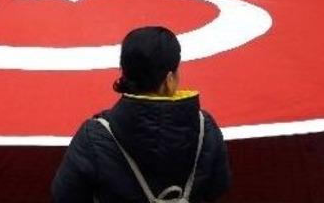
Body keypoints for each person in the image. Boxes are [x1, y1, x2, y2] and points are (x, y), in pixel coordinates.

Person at [52, 27, 231, 202]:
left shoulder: (94, 136)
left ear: (124, 73)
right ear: (169, 80)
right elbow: (218, 186)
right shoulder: (204, 127)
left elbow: (64, 195)